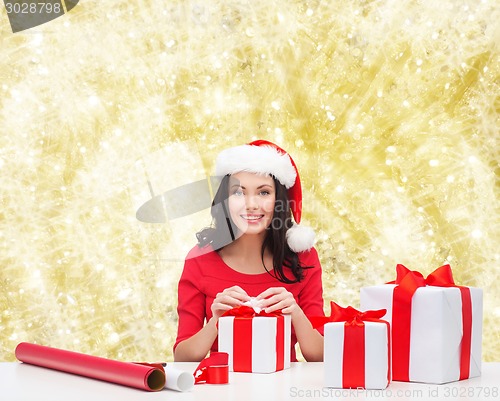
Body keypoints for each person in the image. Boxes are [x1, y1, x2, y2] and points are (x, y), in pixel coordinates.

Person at [173, 139, 324, 362]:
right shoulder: (200, 259)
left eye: (263, 193)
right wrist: (217, 320)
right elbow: (183, 358)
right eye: (238, 192)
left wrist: (295, 313)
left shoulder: (304, 257)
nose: (251, 204)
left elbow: (320, 356)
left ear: (278, 200)